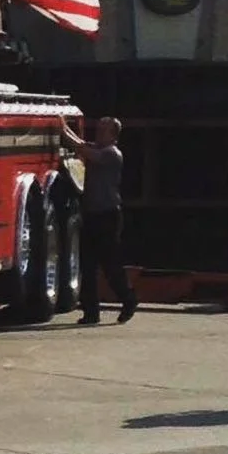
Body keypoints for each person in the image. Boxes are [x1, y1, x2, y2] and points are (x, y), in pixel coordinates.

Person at [60, 116, 137, 326]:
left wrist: (62, 129)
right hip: (92, 214)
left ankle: (128, 299)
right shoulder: (98, 149)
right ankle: (91, 311)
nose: (99, 133)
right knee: (88, 264)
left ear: (113, 134)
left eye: (104, 130)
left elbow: (83, 149)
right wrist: (66, 130)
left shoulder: (112, 154)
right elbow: (82, 145)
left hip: (108, 215)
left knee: (110, 264)